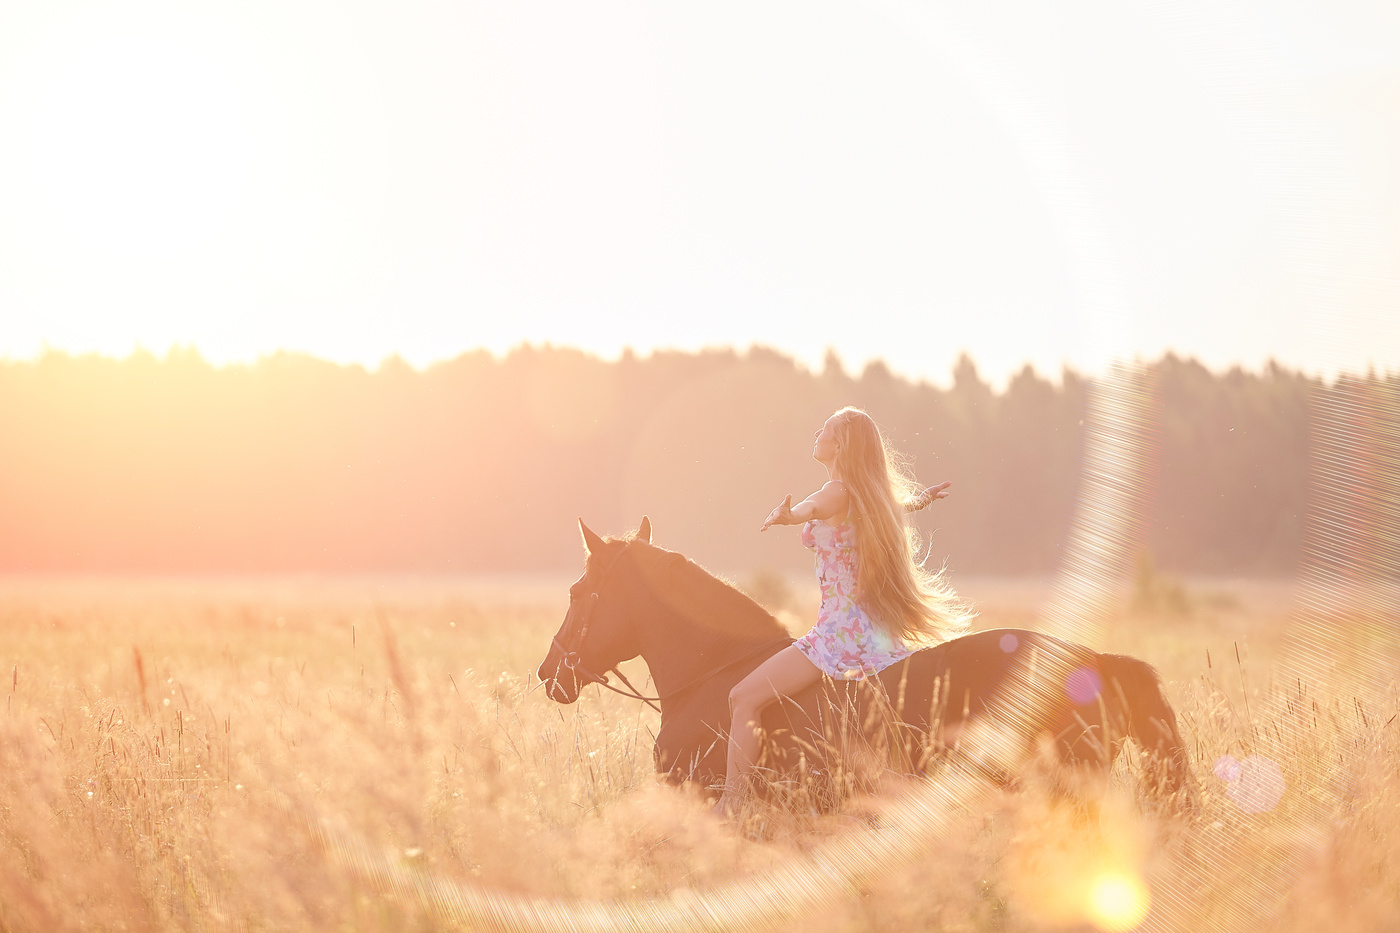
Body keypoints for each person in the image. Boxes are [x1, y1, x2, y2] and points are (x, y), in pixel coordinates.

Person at [712, 407, 972, 816]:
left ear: (841, 445)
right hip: (871, 626)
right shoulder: (868, 493)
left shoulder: (837, 490)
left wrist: (789, 516)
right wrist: (920, 501)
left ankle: (732, 804)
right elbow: (893, 505)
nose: (818, 433)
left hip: (839, 633)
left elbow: (812, 508)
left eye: (826, 429)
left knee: (742, 698)